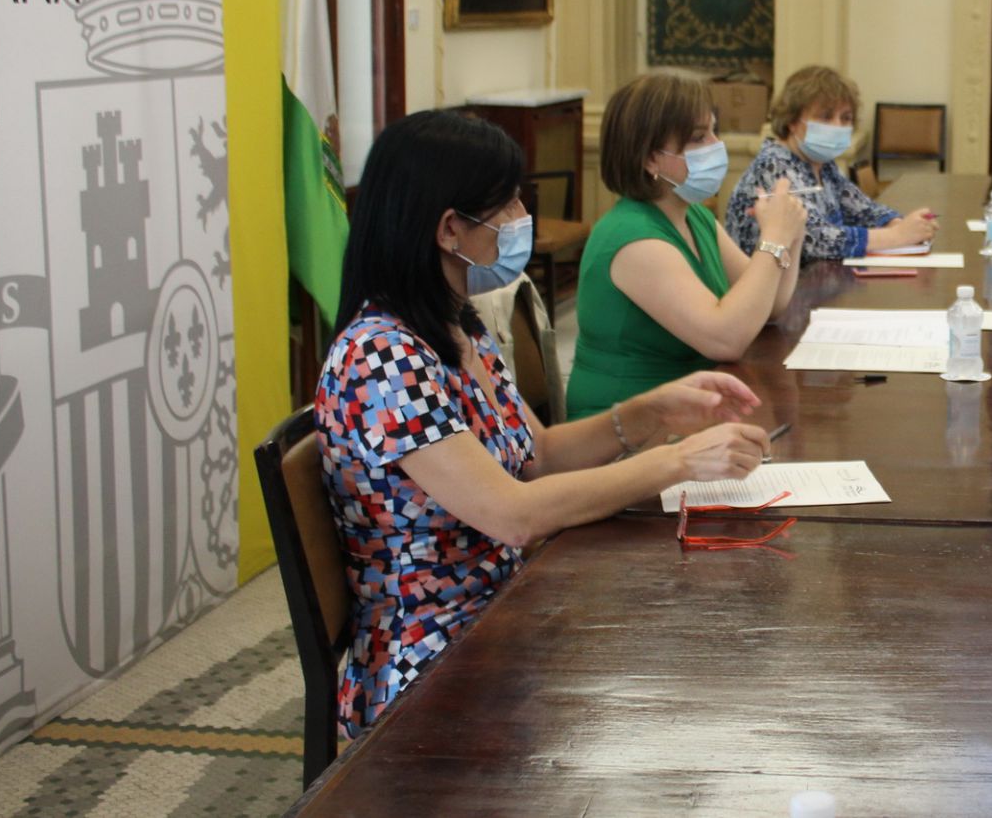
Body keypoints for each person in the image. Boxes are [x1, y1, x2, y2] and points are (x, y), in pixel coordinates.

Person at [316, 110, 773, 737]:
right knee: (674, 683)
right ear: (449, 229)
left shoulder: (454, 324)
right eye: (505, 205)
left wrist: (653, 411)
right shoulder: (382, 358)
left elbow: (538, 455)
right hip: (433, 657)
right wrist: (678, 462)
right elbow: (513, 514)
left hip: (504, 605)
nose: (519, 219)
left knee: (692, 652)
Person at [570, 70, 805, 419]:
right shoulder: (633, 238)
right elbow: (726, 339)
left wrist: (792, 234)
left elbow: (771, 305)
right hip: (627, 427)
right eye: (698, 137)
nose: (715, 145)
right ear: (650, 158)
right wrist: (773, 239)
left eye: (714, 131)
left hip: (688, 413)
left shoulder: (693, 216)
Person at [724, 64, 938, 262]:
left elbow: (862, 209)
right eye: (825, 117)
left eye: (845, 118)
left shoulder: (822, 165)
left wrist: (900, 224)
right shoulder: (774, 165)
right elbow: (813, 239)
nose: (837, 126)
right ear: (792, 121)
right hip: (766, 287)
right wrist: (897, 236)